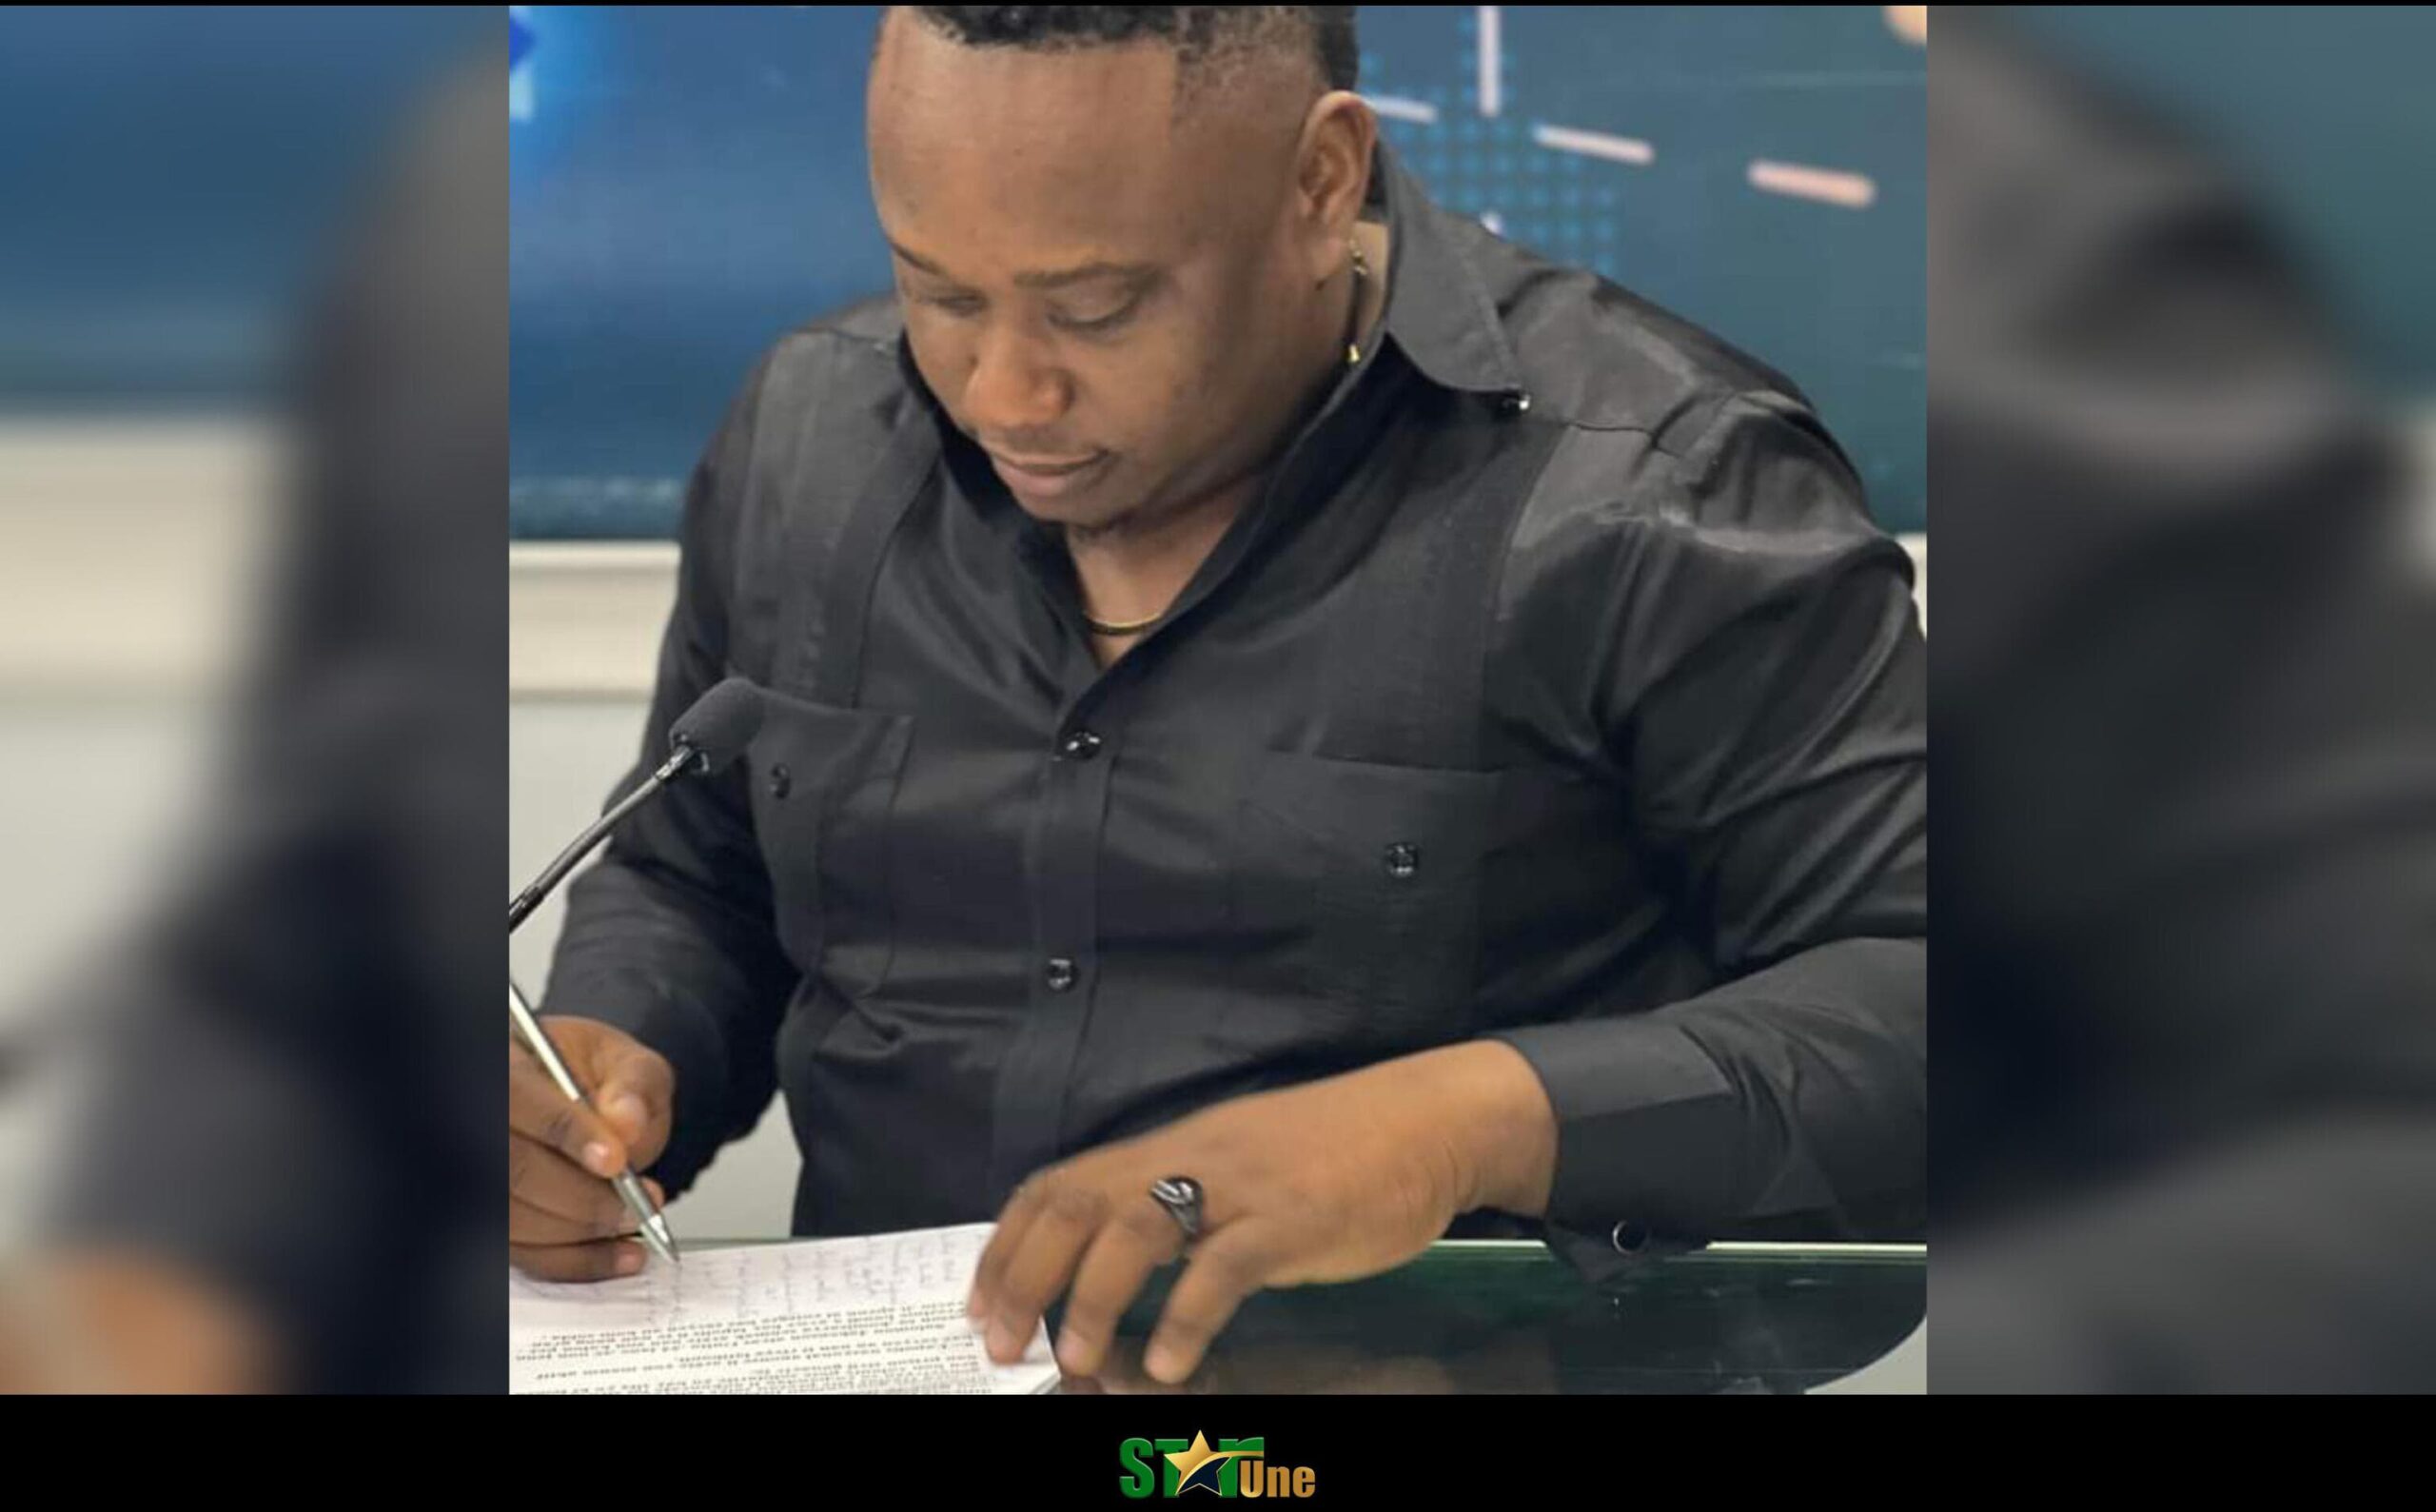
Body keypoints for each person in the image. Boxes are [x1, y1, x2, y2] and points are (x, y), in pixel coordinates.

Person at [513, 6, 1926, 1387]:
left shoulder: (1653, 493)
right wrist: (614, 1071)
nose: (1003, 394)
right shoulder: (810, 439)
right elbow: (695, 877)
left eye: (1096, 307)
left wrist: (1466, 1122)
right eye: (939, 291)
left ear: (1321, 181)